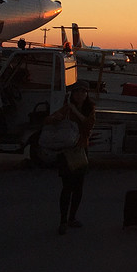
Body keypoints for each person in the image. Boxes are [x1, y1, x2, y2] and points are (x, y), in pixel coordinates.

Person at [44, 81, 96, 234]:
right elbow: (48, 120)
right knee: (67, 187)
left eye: (83, 92)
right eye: (77, 92)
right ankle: (63, 220)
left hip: (80, 150)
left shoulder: (89, 109)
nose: (80, 95)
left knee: (78, 187)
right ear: (72, 94)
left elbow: (88, 125)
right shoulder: (66, 109)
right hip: (67, 151)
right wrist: (56, 118)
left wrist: (75, 110)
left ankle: (72, 217)